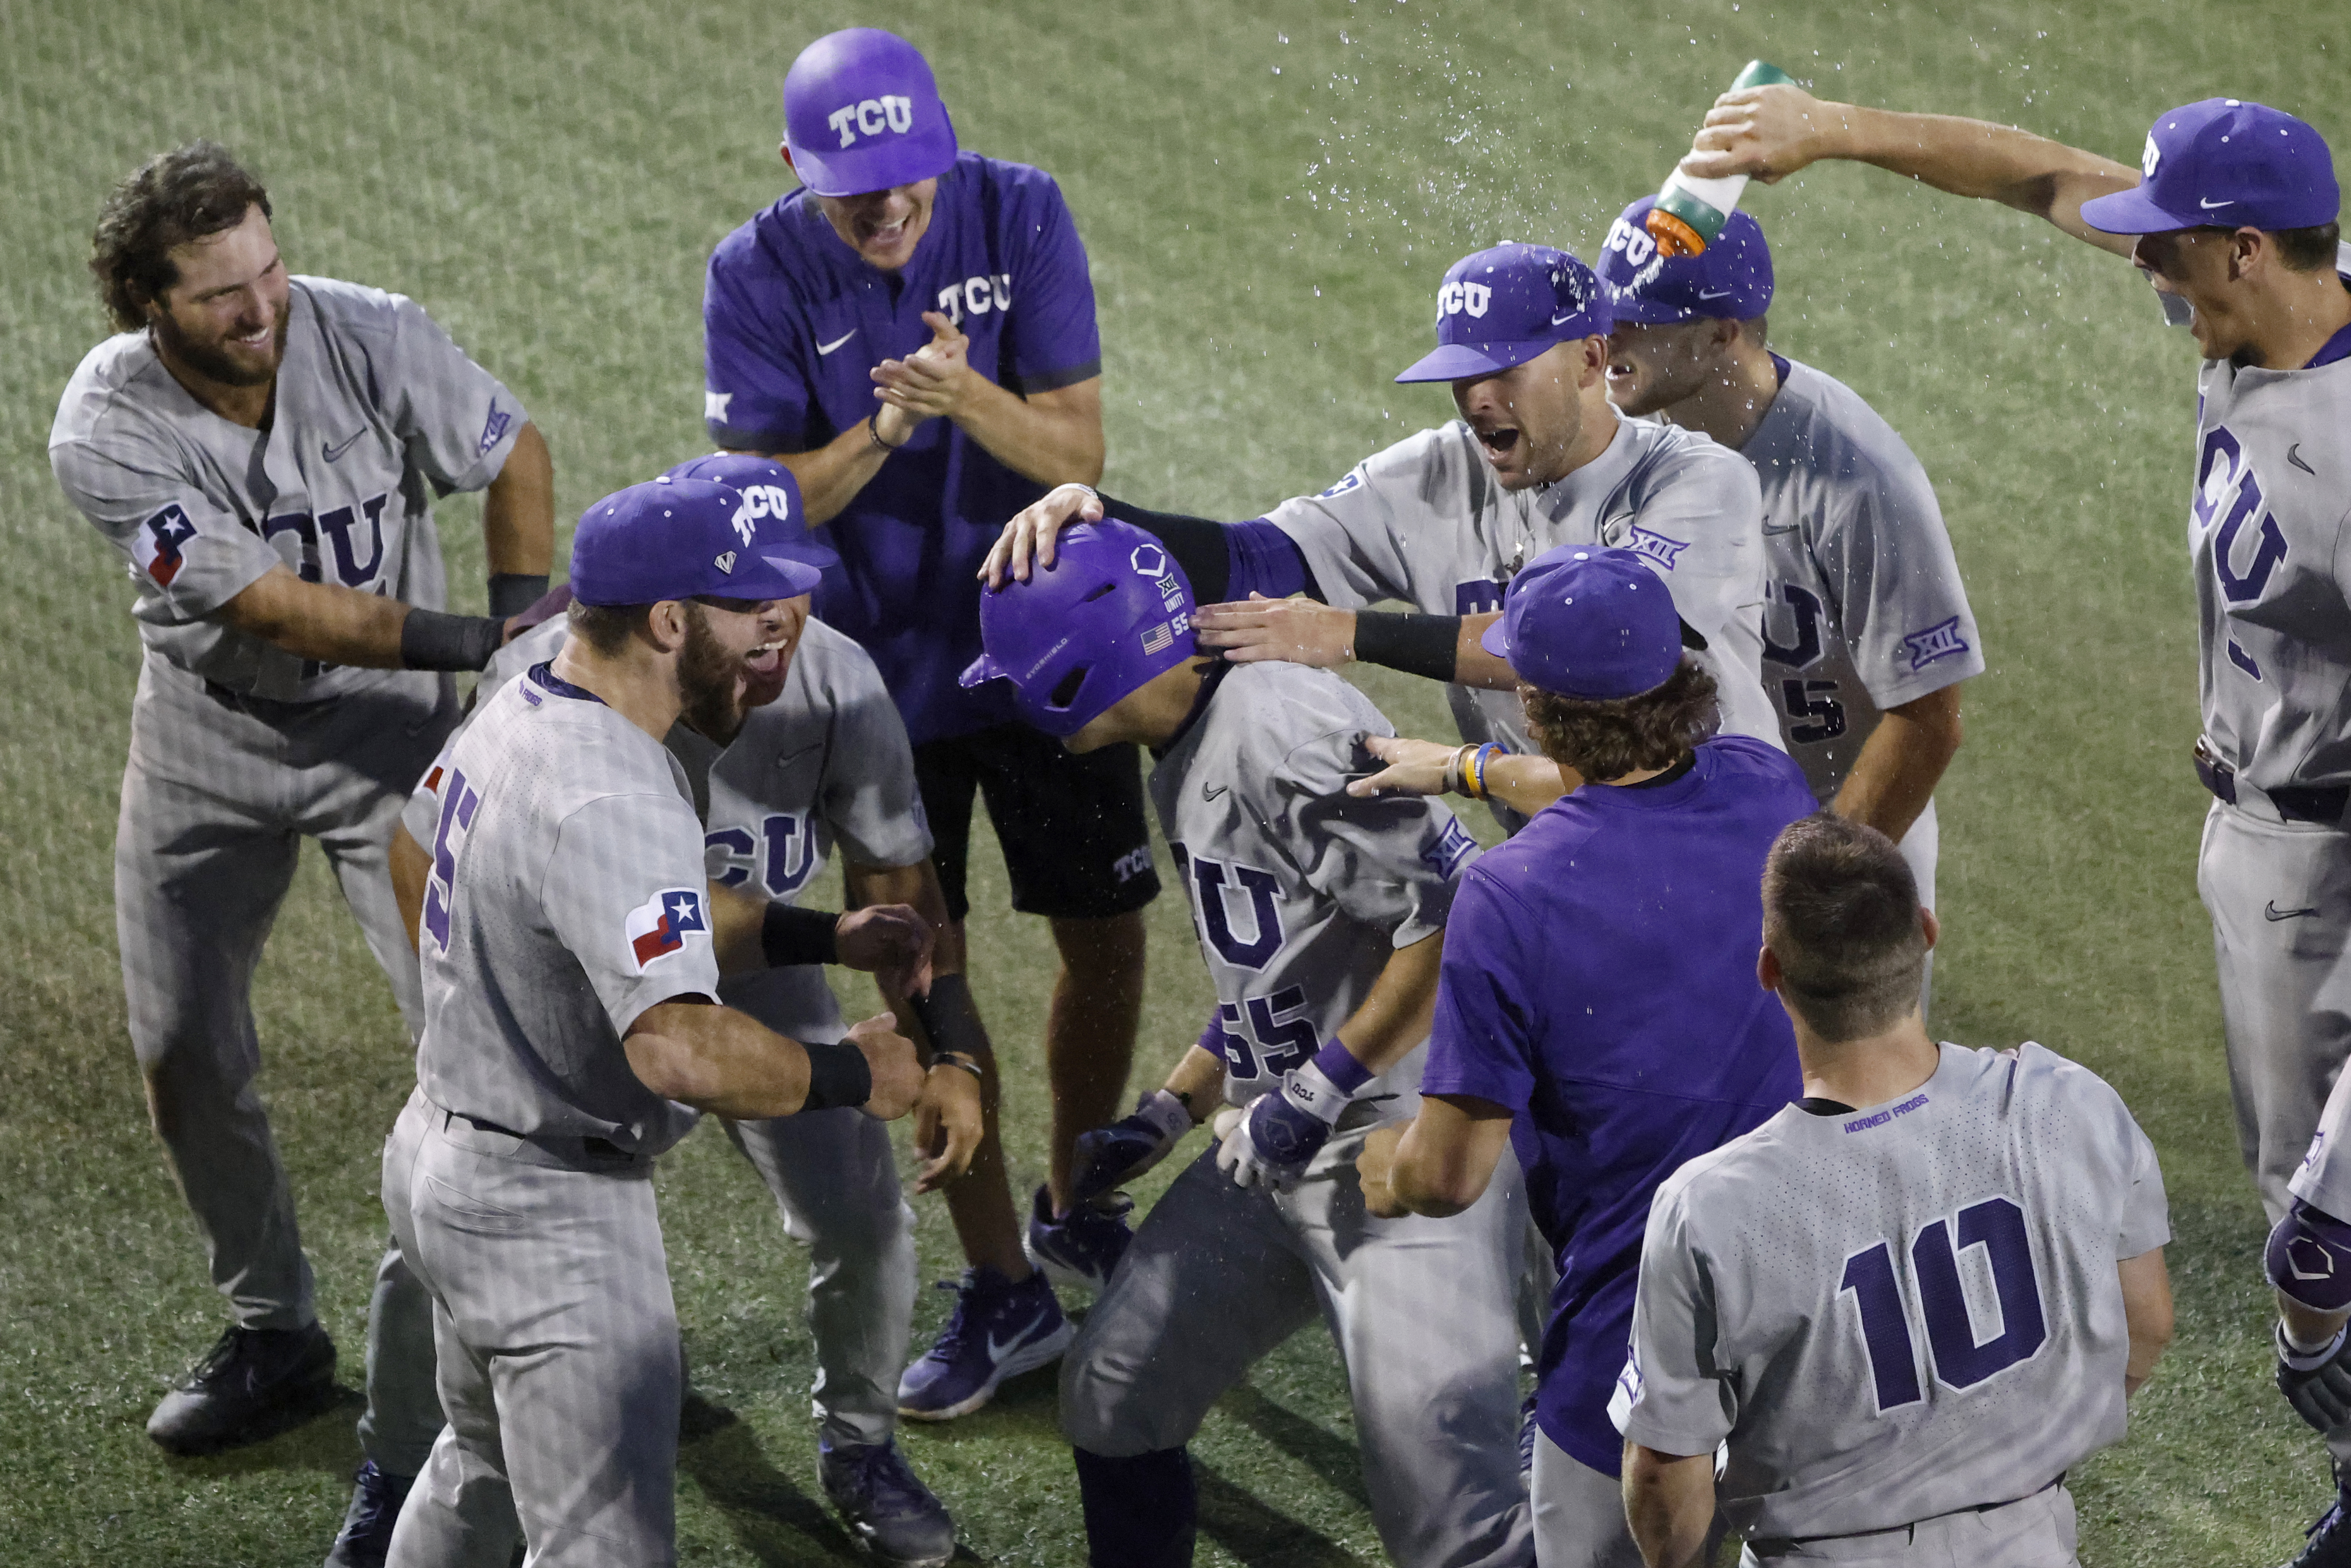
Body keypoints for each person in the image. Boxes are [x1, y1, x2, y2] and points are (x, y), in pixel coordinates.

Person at [1687, 83, 2351, 1556]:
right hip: (2258, 846)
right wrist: (1835, 130)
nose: (2139, 267)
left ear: (2244, 247)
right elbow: (2047, 178)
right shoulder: (2263, 295)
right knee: (2295, 1215)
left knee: (2326, 1250)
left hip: (2336, 859)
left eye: (2165, 249)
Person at [333, 459, 979, 1568]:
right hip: (553, 1217)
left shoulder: (530, 703)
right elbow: (678, 1044)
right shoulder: (617, 788)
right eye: (751, 604)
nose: (782, 624)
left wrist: (815, 937)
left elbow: (417, 844)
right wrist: (850, 1077)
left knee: (479, 1466)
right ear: (670, 620)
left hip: (447, 1153)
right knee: (604, 1546)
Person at [47, 141, 553, 1458]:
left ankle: (543, 1317)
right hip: (203, 739)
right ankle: (275, 1325)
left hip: (387, 738)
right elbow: (271, 609)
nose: (262, 306)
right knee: (182, 1048)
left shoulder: (369, 331)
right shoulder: (105, 427)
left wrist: (520, 624)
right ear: (146, 303)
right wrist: (475, 649)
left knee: (479, 1033)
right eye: (220, 294)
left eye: (266, 269)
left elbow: (516, 452)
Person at [702, 25, 1142, 1410]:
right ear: (796, 169)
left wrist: (964, 399)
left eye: (910, 181)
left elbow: (1076, 451)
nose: (890, 211)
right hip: (875, 675)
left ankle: (1080, 1194)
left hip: (1045, 648)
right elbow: (767, 499)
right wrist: (888, 433)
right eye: (856, 192)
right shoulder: (755, 274)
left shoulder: (1023, 207)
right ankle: (1006, 1282)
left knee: (1108, 929)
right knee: (922, 961)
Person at [960, 519, 1531, 1568]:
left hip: (1407, 1147)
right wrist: (1170, 1107)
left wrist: (1314, 1092)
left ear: (1075, 662)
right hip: (1283, 1145)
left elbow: (1459, 922)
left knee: (1455, 1526)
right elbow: (1285, 962)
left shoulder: (1277, 726)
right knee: (1114, 1392)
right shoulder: (1189, 741)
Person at [980, 240, 1781, 832]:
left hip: (1720, 839)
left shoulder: (1699, 485)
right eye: (1462, 375)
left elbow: (1589, 643)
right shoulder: (1436, 472)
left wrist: (1349, 633)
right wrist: (1102, 508)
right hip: (1568, 848)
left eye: (1505, 370)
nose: (1476, 398)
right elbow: (1262, 553)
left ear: (1590, 358)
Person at [1353, 546, 1815, 1567]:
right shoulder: (1769, 787)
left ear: (1535, 704)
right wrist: (1464, 768)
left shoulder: (1511, 895)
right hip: (1810, 1307)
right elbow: (1626, 791)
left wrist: (1384, 1171)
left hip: (1635, 1330)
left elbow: (1450, 1173)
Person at [1612, 812, 2175, 1568]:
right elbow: (2148, 1324)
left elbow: (1663, 1474)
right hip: (2032, 1542)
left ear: (1771, 970)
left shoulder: (1712, 1206)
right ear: (1927, 931)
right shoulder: (2065, 1104)